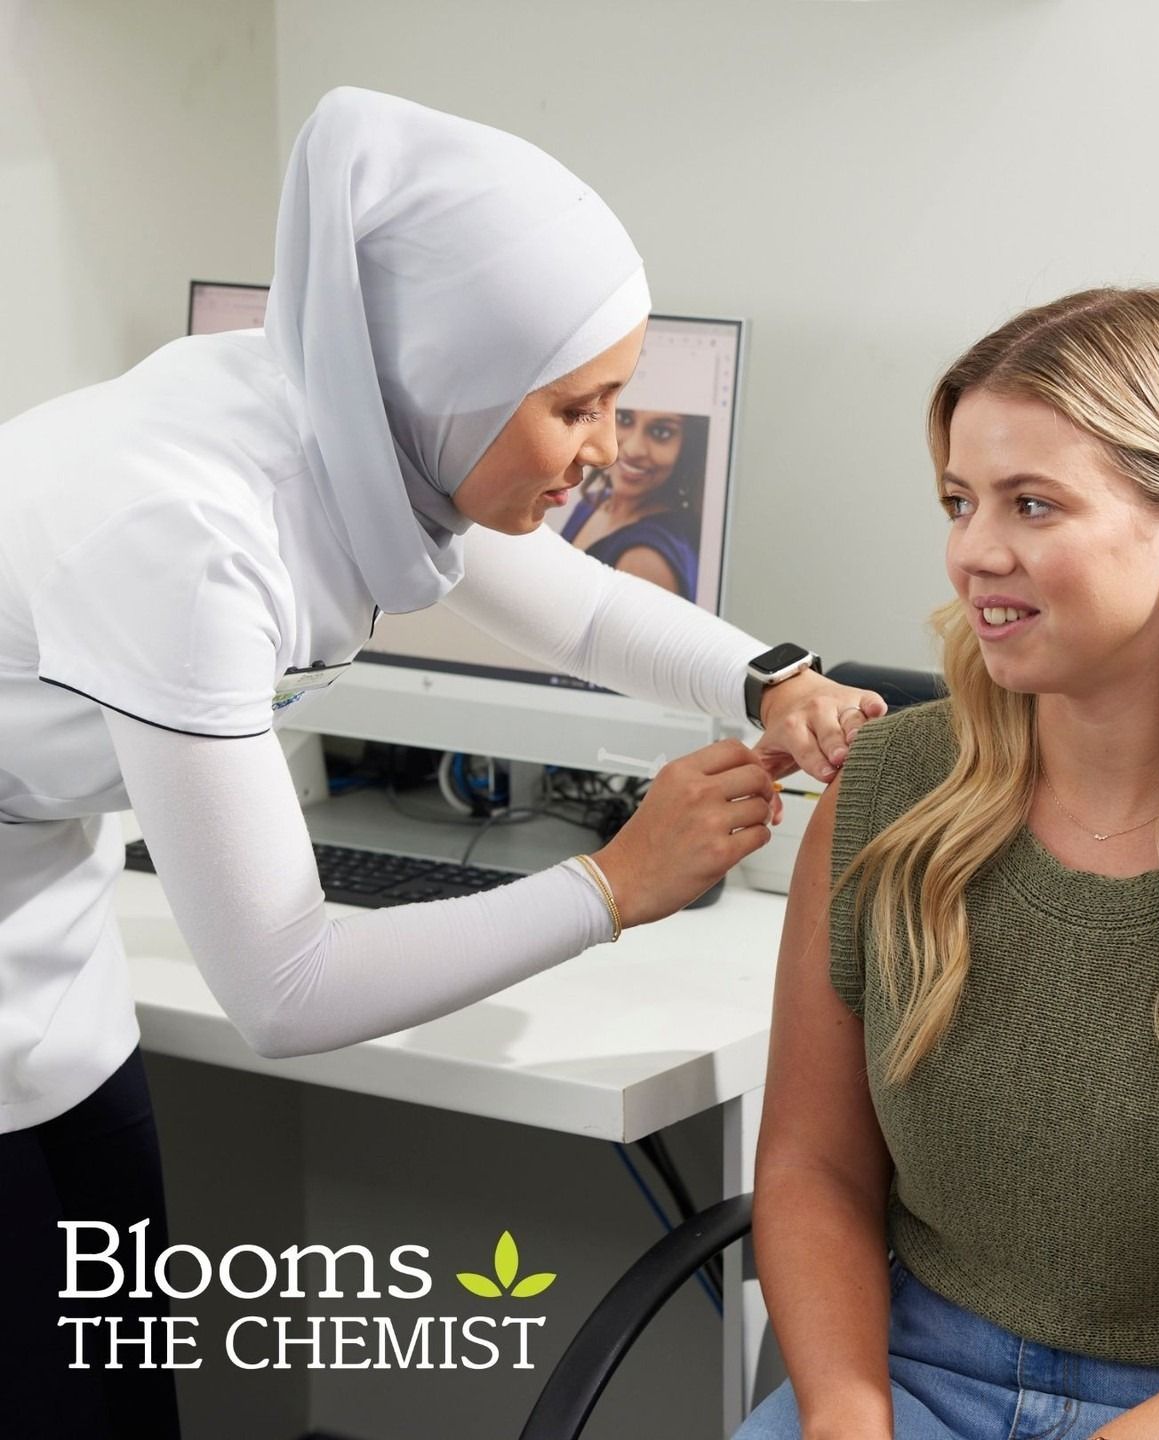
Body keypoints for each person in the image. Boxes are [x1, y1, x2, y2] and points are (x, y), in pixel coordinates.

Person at [0, 88, 886, 1437]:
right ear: (442, 382)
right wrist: (613, 885)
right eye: (576, 408)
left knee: (115, 1389)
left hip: (43, 940)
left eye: (620, 404)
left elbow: (576, 606)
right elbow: (285, 991)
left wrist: (766, 678)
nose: (601, 457)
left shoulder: (353, 423)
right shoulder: (188, 532)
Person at [735, 288, 1159, 1439]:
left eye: (1033, 505)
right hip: (909, 1372)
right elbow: (814, 1170)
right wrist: (847, 1417)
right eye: (959, 501)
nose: (973, 553)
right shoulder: (883, 797)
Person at [561, 408, 705, 598]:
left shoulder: (647, 559)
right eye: (624, 419)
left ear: (687, 448)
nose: (633, 449)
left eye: (661, 432)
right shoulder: (594, 502)